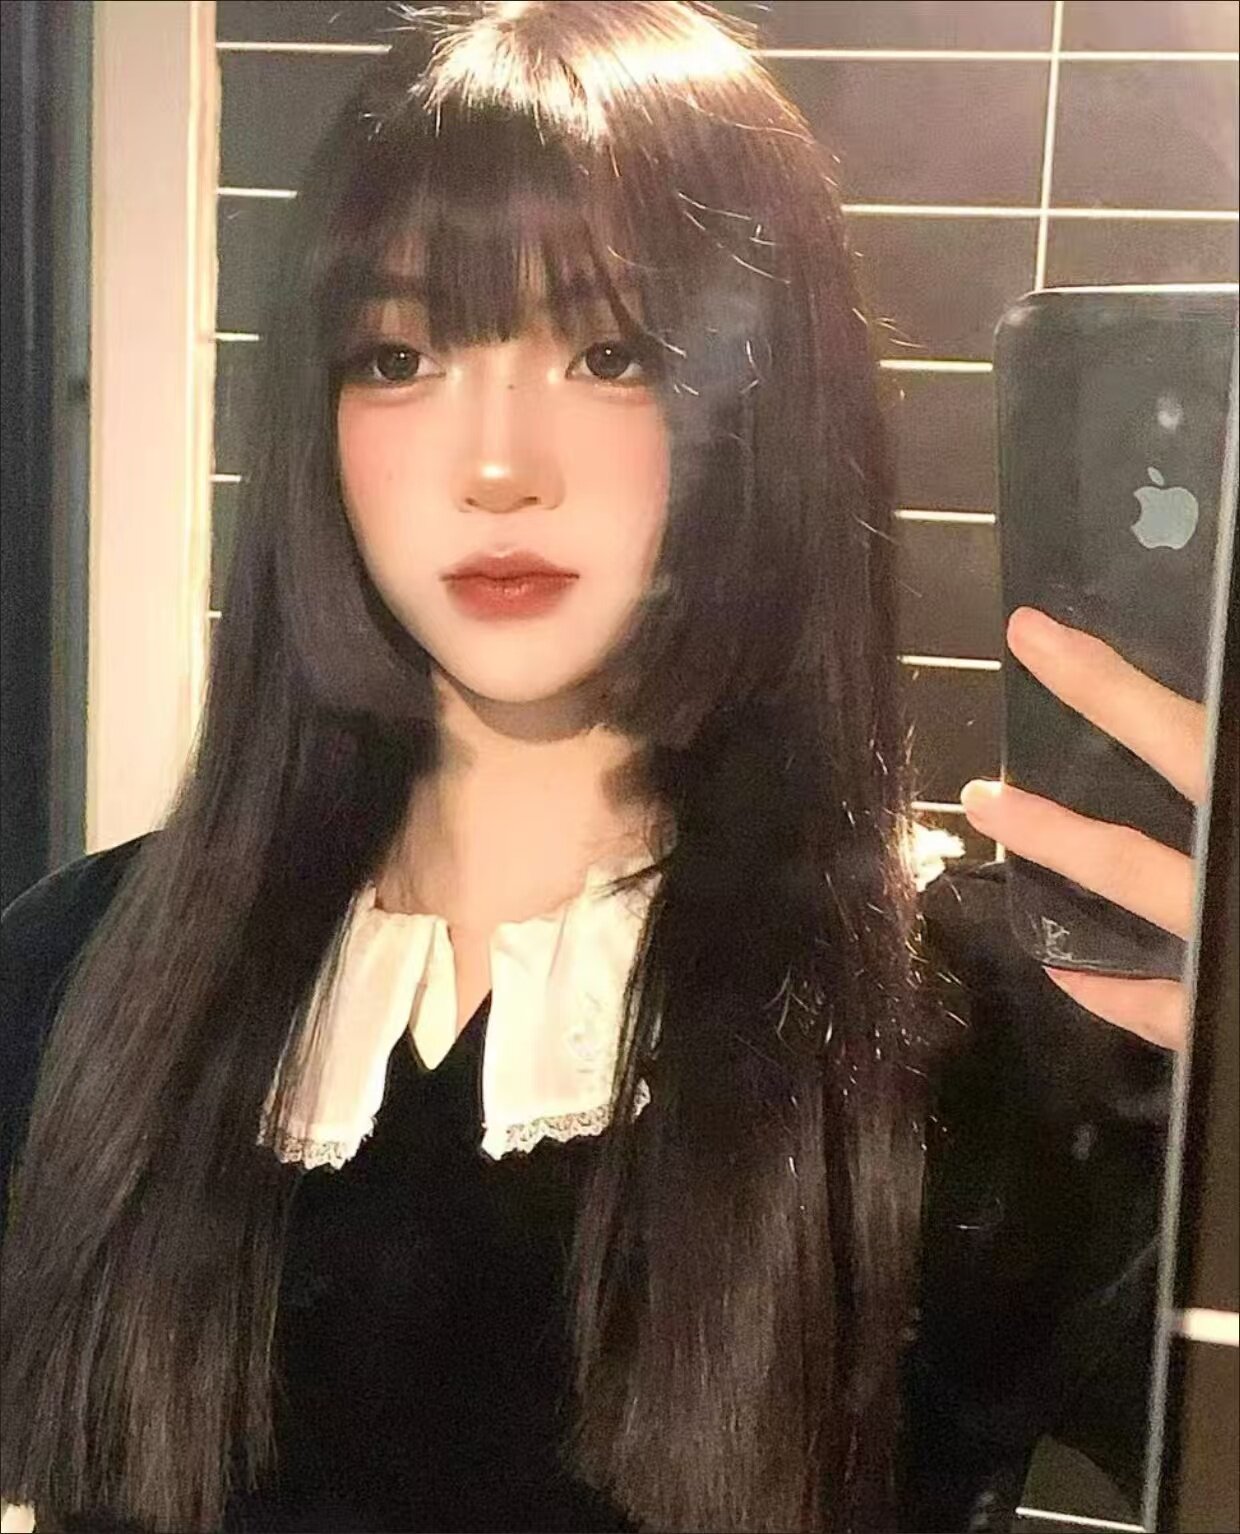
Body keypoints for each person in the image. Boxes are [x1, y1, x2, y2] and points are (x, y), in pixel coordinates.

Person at [1, 4, 1198, 1531]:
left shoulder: (989, 1046)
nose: (497, 464)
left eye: (610, 350)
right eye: (400, 354)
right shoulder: (76, 980)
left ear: (767, 405)